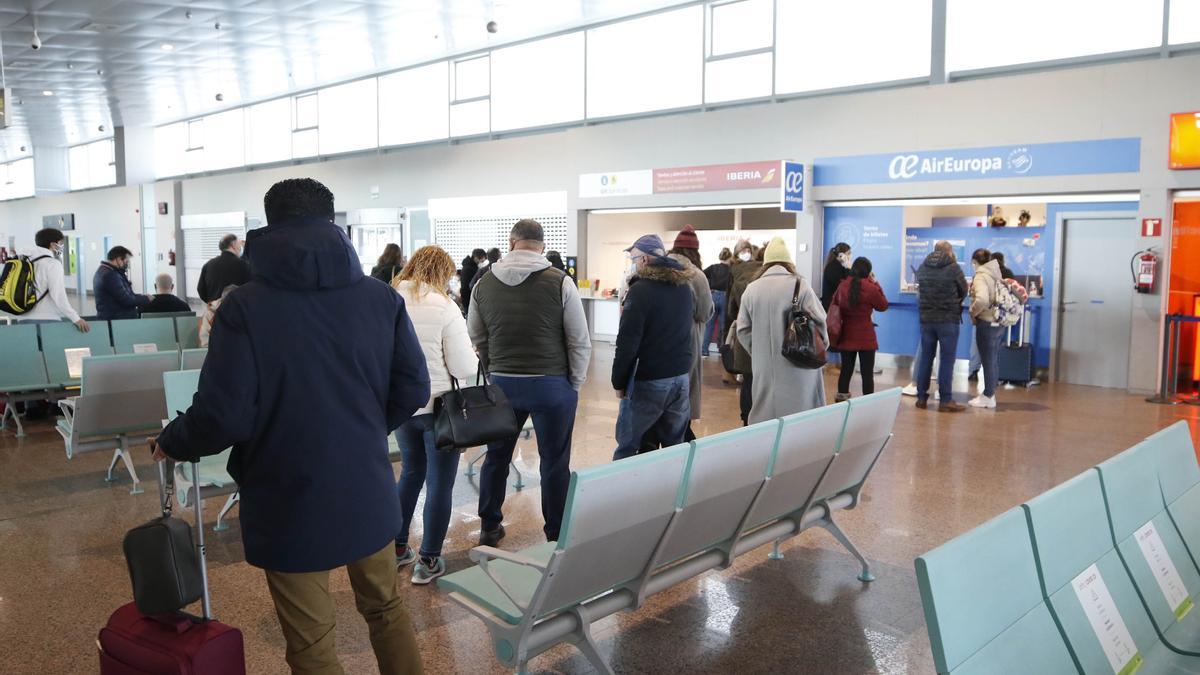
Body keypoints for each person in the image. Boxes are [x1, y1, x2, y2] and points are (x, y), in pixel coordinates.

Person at [150, 178, 430, 675]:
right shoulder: (380, 298)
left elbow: (225, 414)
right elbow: (412, 387)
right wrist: (362, 428)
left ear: (268, 224)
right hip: (365, 481)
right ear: (332, 219)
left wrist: (173, 441)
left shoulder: (245, 307)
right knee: (387, 611)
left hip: (288, 491)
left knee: (312, 640)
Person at [468, 219, 591, 546]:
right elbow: (579, 340)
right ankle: (555, 533)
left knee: (497, 457)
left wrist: (494, 369)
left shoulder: (483, 282)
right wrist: (573, 383)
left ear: (511, 242)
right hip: (551, 385)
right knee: (554, 461)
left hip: (504, 384)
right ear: (541, 244)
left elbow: (476, 335)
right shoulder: (561, 282)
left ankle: (490, 526)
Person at [392, 246, 478, 585]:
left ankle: (398, 549)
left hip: (401, 407)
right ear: (443, 273)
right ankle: (428, 560)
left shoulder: (389, 299)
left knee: (410, 473)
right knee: (440, 484)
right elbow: (462, 366)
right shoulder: (445, 307)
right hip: (439, 409)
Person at [611, 235, 694, 461]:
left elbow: (627, 342)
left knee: (628, 445)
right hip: (680, 378)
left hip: (649, 380)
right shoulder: (684, 287)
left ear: (646, 259)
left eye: (634, 258)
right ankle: (671, 492)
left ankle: (622, 493)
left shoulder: (640, 291)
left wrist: (618, 381)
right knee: (674, 446)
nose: (633, 263)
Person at [737, 238, 826, 424]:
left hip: (765, 368)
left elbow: (743, 329)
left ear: (765, 263)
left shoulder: (752, 290)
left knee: (766, 417)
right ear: (789, 262)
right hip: (799, 365)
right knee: (801, 422)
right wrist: (820, 345)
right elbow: (820, 323)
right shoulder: (801, 286)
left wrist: (759, 351)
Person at [667, 226, 713, 440]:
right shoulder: (697, 275)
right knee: (686, 387)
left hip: (662, 340)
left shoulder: (661, 269)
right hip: (689, 340)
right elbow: (705, 312)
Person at [914, 241, 968, 412]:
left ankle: (921, 398)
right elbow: (964, 290)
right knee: (946, 360)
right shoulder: (954, 268)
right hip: (948, 320)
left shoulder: (923, 267)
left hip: (926, 319)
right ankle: (945, 400)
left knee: (926, 358)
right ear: (950, 252)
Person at [832, 257, 889, 402]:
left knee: (846, 370)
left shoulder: (842, 286)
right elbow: (883, 306)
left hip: (846, 334)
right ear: (868, 272)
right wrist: (876, 283)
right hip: (866, 336)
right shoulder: (871, 287)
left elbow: (834, 305)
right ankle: (867, 404)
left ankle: (841, 401)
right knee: (867, 373)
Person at [16, 228, 89, 331]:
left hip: (22, 317)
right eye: (60, 243)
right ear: (53, 244)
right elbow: (58, 295)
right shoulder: (52, 264)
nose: (62, 247)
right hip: (46, 319)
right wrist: (75, 318)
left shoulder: (24, 261)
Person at [726, 240, 762, 425]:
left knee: (748, 379)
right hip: (766, 335)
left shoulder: (735, 276)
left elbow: (731, 310)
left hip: (744, 334)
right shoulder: (763, 275)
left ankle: (746, 419)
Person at [969, 248, 1004, 409]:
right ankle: (990, 393)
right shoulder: (996, 273)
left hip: (986, 321)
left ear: (975, 262)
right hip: (998, 321)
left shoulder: (981, 276)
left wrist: (972, 311)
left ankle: (988, 395)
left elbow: (982, 299)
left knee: (987, 359)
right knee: (993, 359)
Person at [93, 246, 150, 320]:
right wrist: (146, 299)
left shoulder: (103, 270)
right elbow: (126, 300)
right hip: (117, 321)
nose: (127, 265)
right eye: (126, 261)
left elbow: (126, 294)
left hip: (112, 318)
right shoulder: (110, 275)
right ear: (119, 259)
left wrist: (141, 297)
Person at [197, 234, 251, 303]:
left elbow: (201, 289)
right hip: (236, 309)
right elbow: (250, 288)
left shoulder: (208, 265)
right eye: (239, 244)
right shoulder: (243, 265)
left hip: (215, 310)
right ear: (233, 245)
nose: (240, 247)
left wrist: (212, 302)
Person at [703, 247, 732, 358]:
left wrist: (709, 287)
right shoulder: (731, 269)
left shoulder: (713, 268)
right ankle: (721, 350)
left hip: (713, 296)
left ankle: (704, 350)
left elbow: (702, 274)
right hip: (725, 297)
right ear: (729, 258)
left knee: (709, 325)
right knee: (723, 325)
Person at [820, 242, 853, 310]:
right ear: (841, 255)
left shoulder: (841, 266)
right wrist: (848, 268)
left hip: (837, 304)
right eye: (848, 253)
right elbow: (845, 285)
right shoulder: (832, 267)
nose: (850, 256)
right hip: (832, 307)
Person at [459, 249, 485, 315]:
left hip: (467, 298)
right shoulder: (470, 269)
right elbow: (469, 286)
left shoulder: (469, 266)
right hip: (468, 299)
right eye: (481, 260)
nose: (482, 263)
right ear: (476, 258)